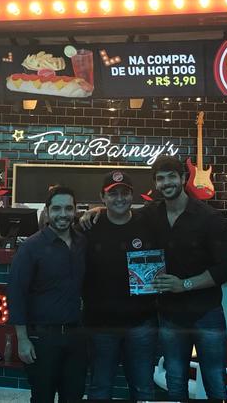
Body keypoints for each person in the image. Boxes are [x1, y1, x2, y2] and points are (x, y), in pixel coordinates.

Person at [146, 155, 227, 400]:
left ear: (184, 178)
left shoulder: (209, 217)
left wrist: (184, 285)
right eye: (161, 178)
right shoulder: (151, 214)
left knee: (215, 382)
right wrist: (97, 212)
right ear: (155, 183)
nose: (167, 183)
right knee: (175, 382)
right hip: (169, 314)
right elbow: (123, 218)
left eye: (171, 177)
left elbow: (226, 268)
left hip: (206, 313)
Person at [82, 171, 158, 400]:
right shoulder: (90, 226)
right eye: (113, 194)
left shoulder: (147, 223)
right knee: (100, 388)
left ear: (132, 196)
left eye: (124, 193)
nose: (119, 198)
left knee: (143, 389)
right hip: (101, 325)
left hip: (141, 323)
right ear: (102, 197)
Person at [8, 185, 87, 403]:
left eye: (68, 208)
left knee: (73, 396)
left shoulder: (82, 242)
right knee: (42, 397)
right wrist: (22, 339)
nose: (63, 214)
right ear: (47, 211)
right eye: (57, 209)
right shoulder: (31, 247)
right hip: (42, 339)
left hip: (76, 337)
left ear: (75, 210)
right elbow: (16, 294)